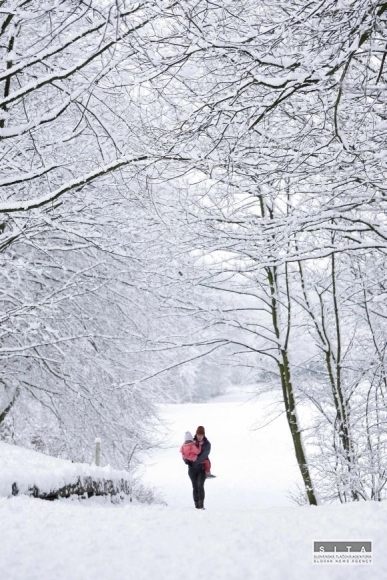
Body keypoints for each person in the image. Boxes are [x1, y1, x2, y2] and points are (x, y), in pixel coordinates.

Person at [181, 426, 213, 510]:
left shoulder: (207, 444)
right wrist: (186, 460)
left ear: (203, 435)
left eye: (201, 435)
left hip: (201, 468)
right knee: (195, 487)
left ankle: (201, 505)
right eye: (198, 434)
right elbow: (185, 451)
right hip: (192, 469)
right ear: (196, 434)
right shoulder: (191, 441)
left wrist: (196, 462)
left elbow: (204, 455)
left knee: (200, 485)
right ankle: (197, 506)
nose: (199, 436)